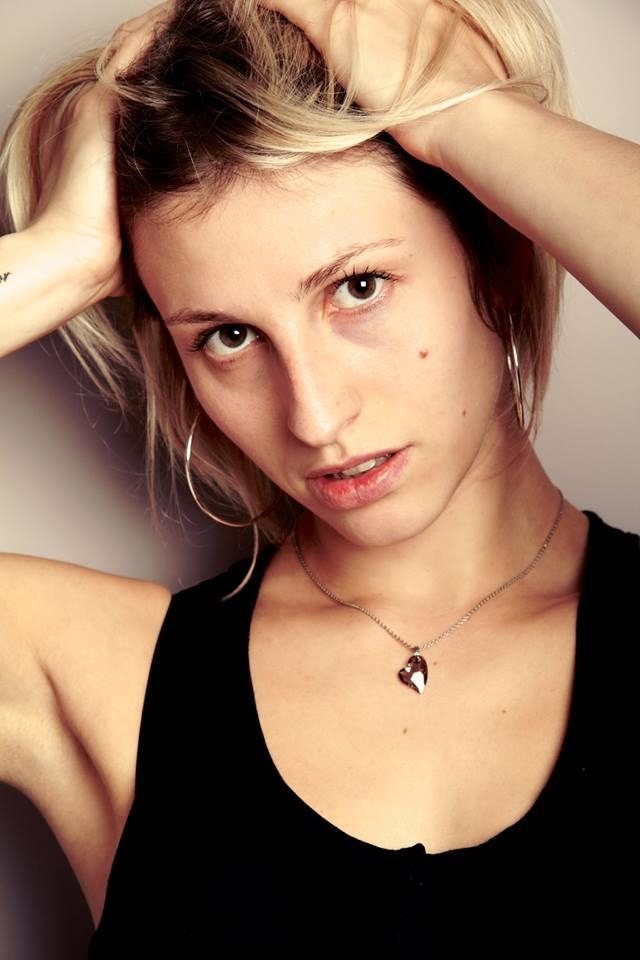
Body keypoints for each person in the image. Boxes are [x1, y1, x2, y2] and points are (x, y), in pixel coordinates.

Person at [1, 0, 638, 955]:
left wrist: (472, 121)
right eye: (228, 336)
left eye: (358, 287)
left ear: (497, 256)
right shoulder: (99, 675)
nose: (314, 417)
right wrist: (61, 259)